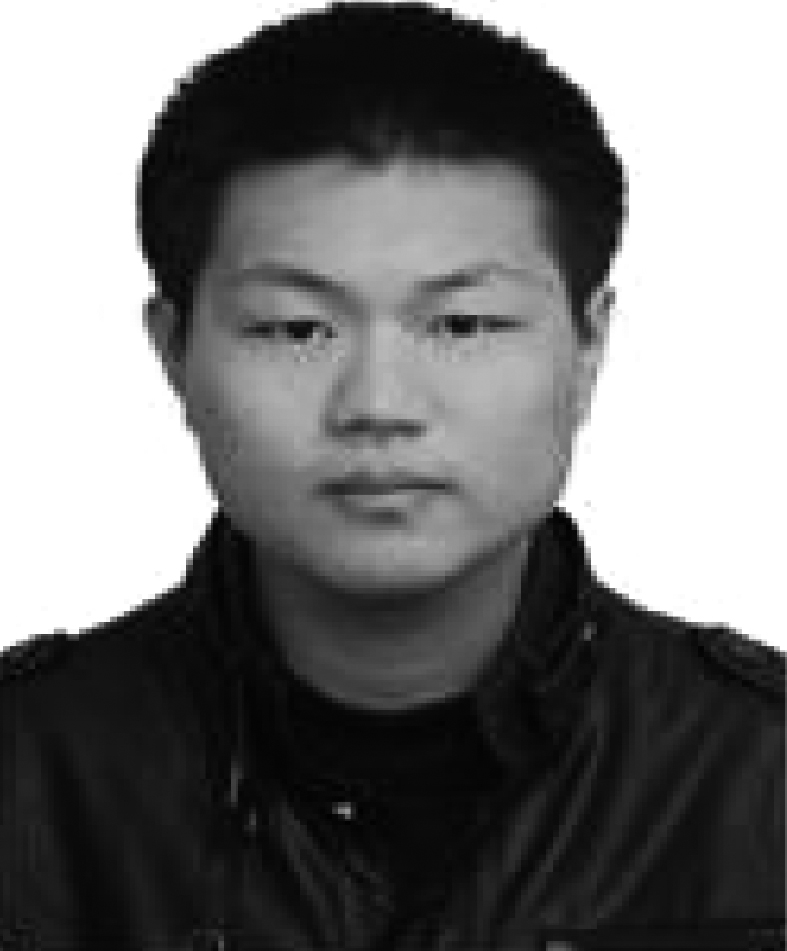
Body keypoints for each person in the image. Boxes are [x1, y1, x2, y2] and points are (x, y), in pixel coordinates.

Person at [1, 3, 784, 949]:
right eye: (296, 328)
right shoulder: (29, 769)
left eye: (461, 325)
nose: (378, 404)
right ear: (174, 353)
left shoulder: (757, 772)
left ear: (587, 348)